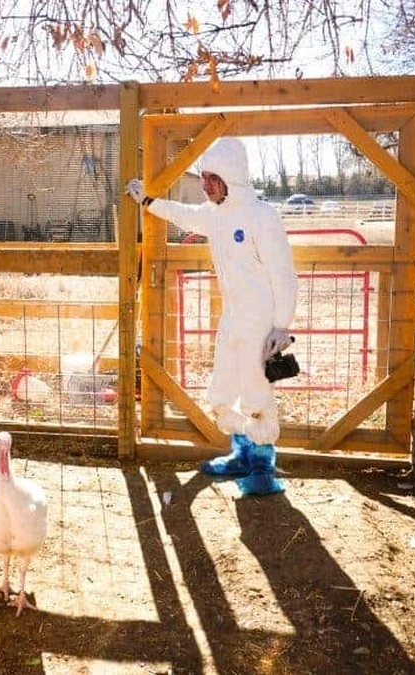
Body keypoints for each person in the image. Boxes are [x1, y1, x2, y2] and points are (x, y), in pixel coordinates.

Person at [126, 137, 298, 496]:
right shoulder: (215, 215)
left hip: (261, 321)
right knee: (223, 389)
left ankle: (263, 469)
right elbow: (182, 213)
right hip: (233, 318)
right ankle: (241, 454)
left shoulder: (261, 216)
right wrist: (148, 201)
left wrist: (282, 326)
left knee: (255, 391)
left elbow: (283, 272)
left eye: (212, 178)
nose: (205, 185)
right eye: (203, 177)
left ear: (232, 178)